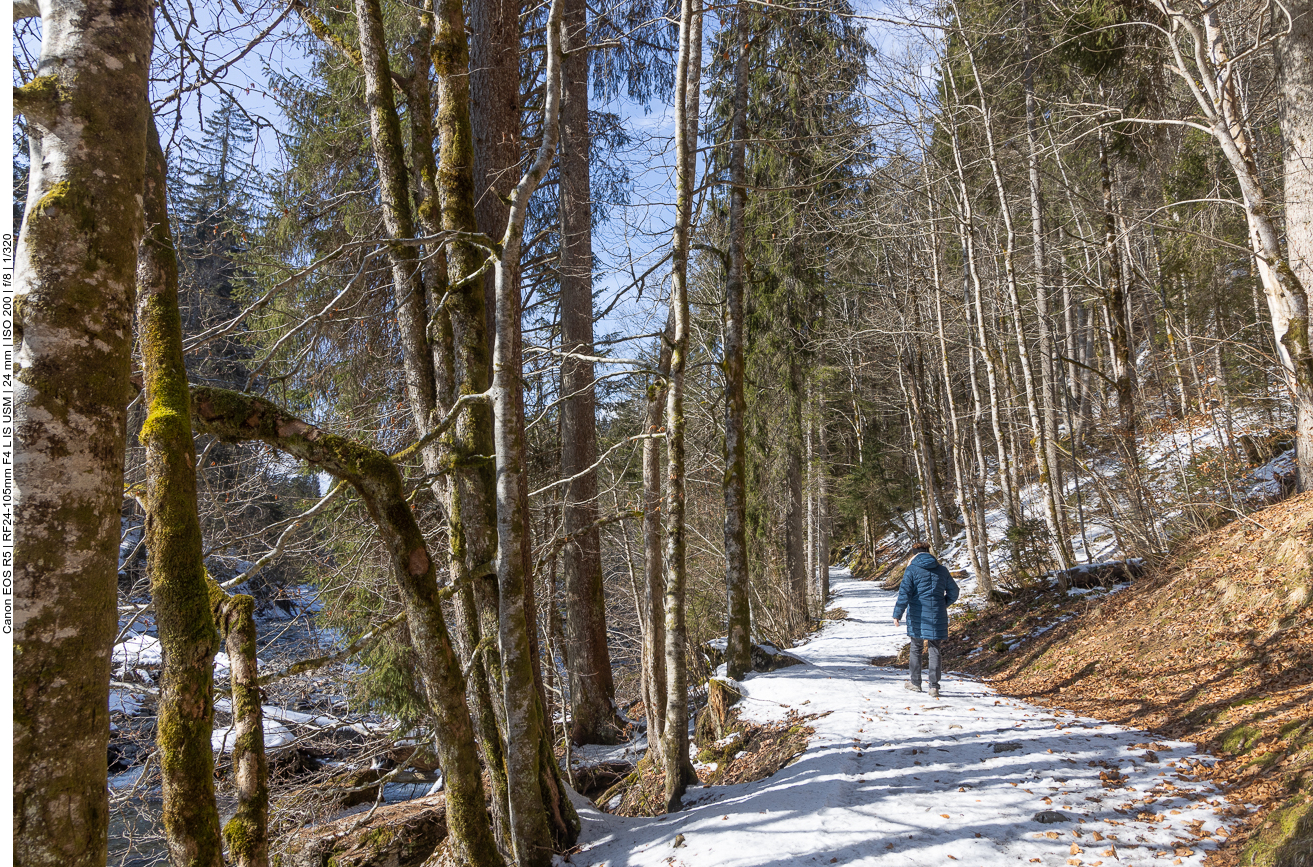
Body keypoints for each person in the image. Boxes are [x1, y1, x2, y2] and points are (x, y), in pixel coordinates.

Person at [892, 541, 959, 699]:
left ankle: (916, 683)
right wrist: (943, 603)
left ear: (914, 553)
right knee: (935, 649)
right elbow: (954, 591)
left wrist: (897, 614)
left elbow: (904, 594)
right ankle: (934, 687)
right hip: (937, 615)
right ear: (928, 552)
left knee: (916, 647)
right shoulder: (942, 570)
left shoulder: (912, 569)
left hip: (917, 614)